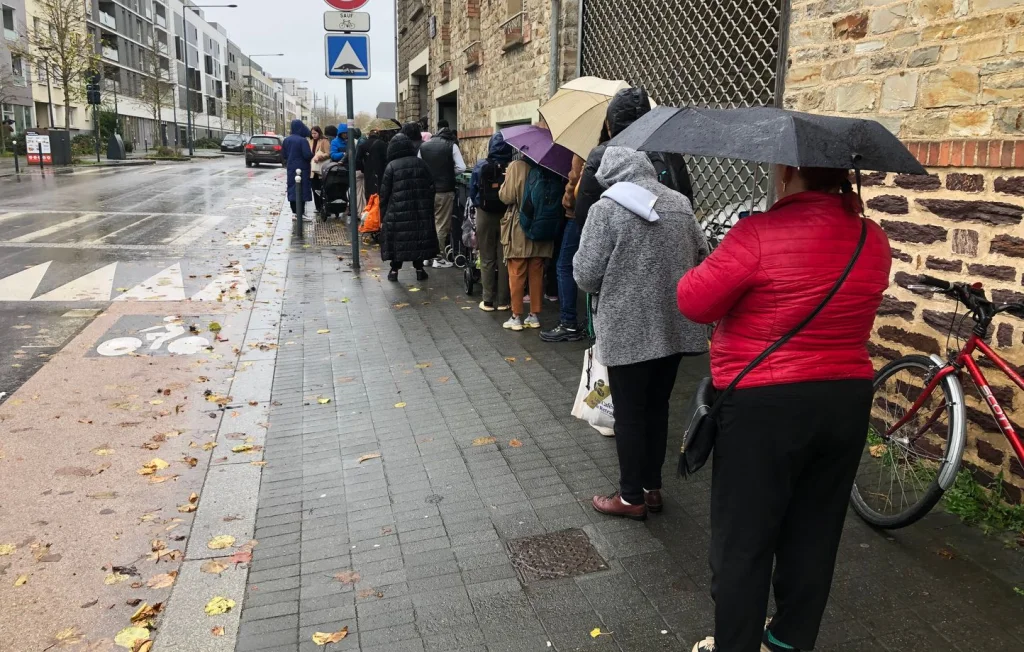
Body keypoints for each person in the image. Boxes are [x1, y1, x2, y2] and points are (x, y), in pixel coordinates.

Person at [676, 166, 890, 652]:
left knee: (744, 540)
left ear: (790, 171)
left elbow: (693, 301)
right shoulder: (871, 239)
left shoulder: (756, 233)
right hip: (845, 400)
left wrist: (703, 265)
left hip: (764, 406)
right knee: (816, 530)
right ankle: (789, 640)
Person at [573, 147, 708, 519]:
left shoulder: (605, 209)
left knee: (630, 413)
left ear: (610, 174)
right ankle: (651, 488)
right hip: (675, 325)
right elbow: (703, 255)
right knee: (656, 407)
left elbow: (585, 275)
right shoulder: (679, 203)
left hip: (627, 327)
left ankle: (630, 497)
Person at [575, 87, 694, 232]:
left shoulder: (602, 154)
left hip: (614, 242)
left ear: (611, 121)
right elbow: (687, 203)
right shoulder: (670, 155)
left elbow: (584, 212)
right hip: (667, 240)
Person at [498, 158, 561, 331]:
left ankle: (516, 316)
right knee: (537, 272)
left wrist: (506, 180)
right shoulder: (551, 166)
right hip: (543, 227)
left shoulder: (516, 166)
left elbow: (506, 197)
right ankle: (534, 316)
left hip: (521, 226)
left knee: (517, 271)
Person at [541, 152, 589, 342]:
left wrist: (566, 199)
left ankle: (568, 322)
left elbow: (574, 178)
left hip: (577, 214)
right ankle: (592, 321)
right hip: (604, 211)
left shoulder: (584, 148)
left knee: (564, 265)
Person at [379, 134, 438, 282]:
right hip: (419, 210)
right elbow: (431, 187)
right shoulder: (421, 164)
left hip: (396, 212)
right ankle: (419, 270)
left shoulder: (391, 166)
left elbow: (384, 194)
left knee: (398, 243)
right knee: (417, 240)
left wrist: (383, 215)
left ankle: (394, 271)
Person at [468, 131, 514, 312]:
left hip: (484, 214)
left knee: (486, 257)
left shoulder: (481, 166)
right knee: (504, 257)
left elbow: (472, 192)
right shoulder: (512, 167)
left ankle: (487, 300)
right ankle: (503, 301)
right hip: (505, 214)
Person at [419, 119, 467, 269]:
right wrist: (448, 173)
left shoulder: (424, 146)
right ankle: (437, 257)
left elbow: (419, 165)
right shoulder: (451, 145)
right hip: (444, 190)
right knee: (441, 224)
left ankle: (427, 256)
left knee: (430, 223)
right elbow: (462, 167)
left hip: (427, 190)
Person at [282, 119, 313, 220]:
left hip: (291, 168)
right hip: (302, 168)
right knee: (302, 189)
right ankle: (301, 213)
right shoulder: (303, 140)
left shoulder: (286, 140)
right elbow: (307, 155)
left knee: (292, 188)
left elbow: (284, 155)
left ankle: (294, 213)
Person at [357, 128, 389, 202]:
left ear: (369, 135)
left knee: (369, 193)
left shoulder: (363, 145)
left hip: (368, 172)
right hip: (381, 172)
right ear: (378, 135)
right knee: (380, 193)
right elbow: (387, 158)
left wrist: (363, 169)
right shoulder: (383, 144)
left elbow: (357, 161)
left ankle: (371, 210)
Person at [308, 126, 331, 216]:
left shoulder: (324, 141)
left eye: (315, 133)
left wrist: (320, 157)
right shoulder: (310, 141)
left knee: (322, 188)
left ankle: (323, 206)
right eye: (312, 133)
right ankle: (317, 207)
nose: (313, 135)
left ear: (319, 133)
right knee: (314, 188)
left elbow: (328, 153)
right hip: (313, 168)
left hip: (320, 167)